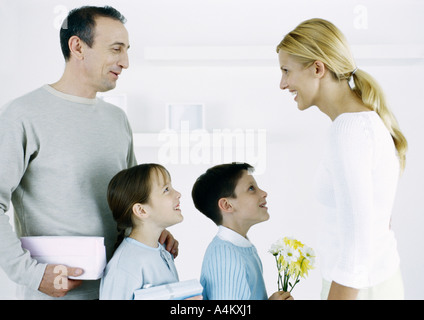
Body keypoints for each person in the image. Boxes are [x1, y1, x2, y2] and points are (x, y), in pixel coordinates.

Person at [0, 6, 177, 300]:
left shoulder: (116, 119)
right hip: (55, 294)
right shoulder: (22, 115)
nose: (126, 62)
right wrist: (30, 273)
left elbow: (132, 201)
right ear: (78, 46)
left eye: (127, 50)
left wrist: (152, 232)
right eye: (116, 49)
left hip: (122, 290)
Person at [276, 18, 407, 300]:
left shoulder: (347, 131)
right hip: (374, 284)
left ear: (318, 69)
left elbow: (357, 250)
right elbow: (378, 223)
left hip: (360, 289)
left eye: (286, 71)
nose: (282, 83)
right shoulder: (365, 122)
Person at [192, 163, 293, 300]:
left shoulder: (241, 248)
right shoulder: (226, 259)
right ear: (227, 205)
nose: (264, 193)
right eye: (251, 188)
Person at [100, 164, 191, 300]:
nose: (178, 194)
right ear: (141, 210)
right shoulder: (125, 266)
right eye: (166, 190)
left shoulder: (164, 251)